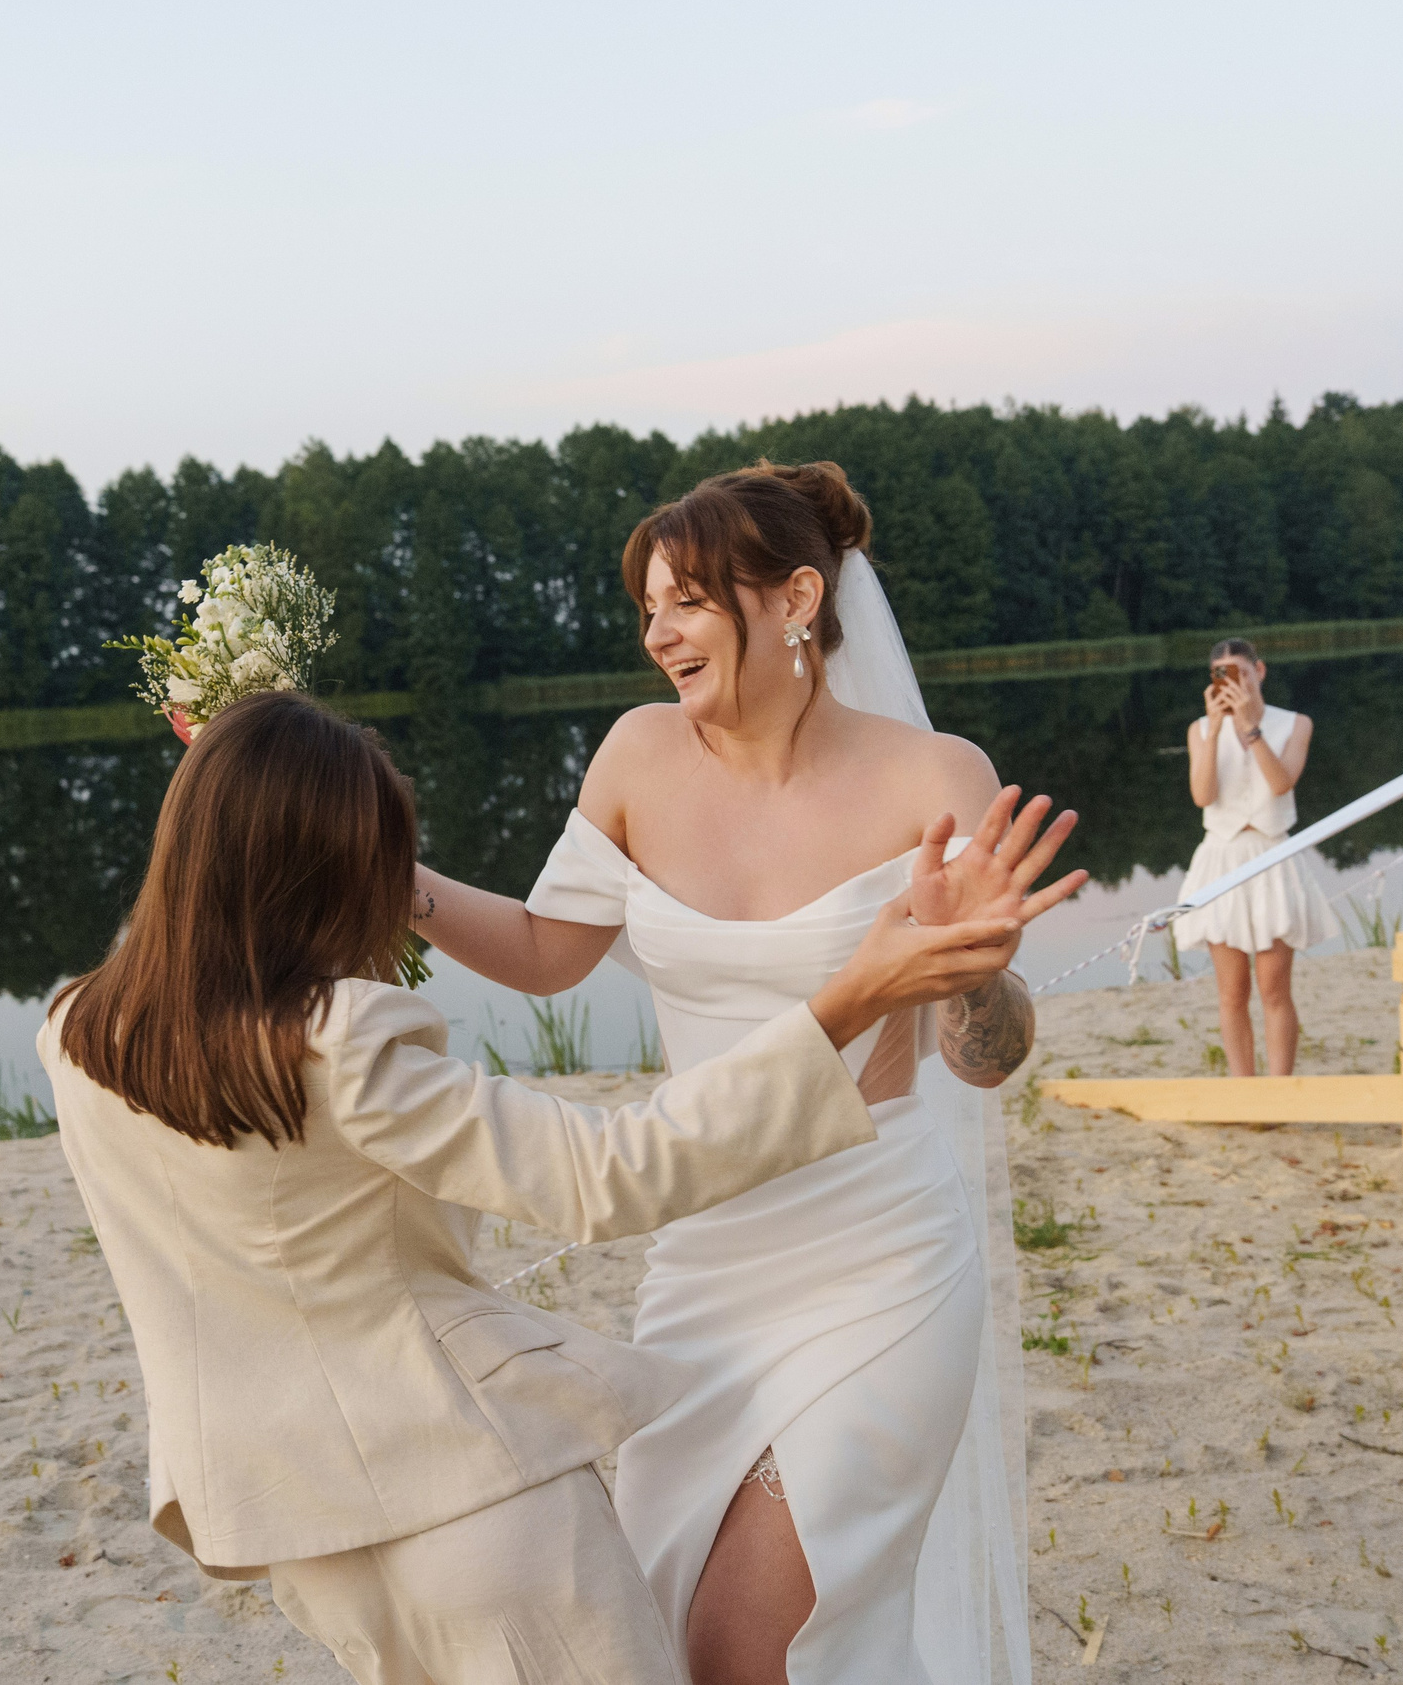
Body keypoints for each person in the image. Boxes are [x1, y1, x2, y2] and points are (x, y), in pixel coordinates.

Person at [37, 689, 1061, 1685]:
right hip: (471, 1509)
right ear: (322, 875)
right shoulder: (341, 1045)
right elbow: (605, 1173)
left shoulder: (77, 1036)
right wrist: (847, 1003)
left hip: (299, 1528)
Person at [411, 462, 1086, 1685]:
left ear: (795, 601)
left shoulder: (933, 777)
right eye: (648, 608)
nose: (657, 634)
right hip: (706, 1259)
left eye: (686, 601)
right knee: (670, 1630)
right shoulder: (636, 756)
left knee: (747, 1645)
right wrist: (381, 879)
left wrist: (972, 973)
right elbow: (546, 952)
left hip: (877, 1253)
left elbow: (984, 1060)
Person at [1173, 638, 1335, 1076]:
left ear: (1259, 672)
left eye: (1241, 672)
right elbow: (1202, 795)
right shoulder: (1199, 729)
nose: (1234, 682)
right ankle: (1243, 1088)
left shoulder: (1295, 724)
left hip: (1272, 857)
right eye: (1223, 674)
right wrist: (1214, 729)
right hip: (1220, 859)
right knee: (1231, 993)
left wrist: (1249, 727)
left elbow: (1281, 784)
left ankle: (1279, 1089)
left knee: (1275, 989)